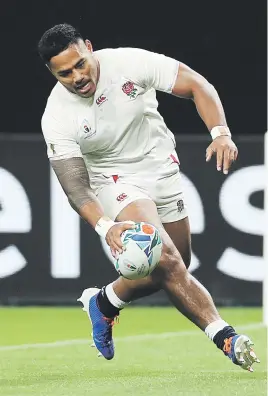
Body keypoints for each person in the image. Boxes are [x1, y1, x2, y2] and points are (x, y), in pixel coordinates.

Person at [38, 23, 259, 370]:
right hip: (114, 179)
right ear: (53, 74)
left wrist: (220, 133)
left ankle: (106, 302)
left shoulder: (129, 62)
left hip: (162, 168)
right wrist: (105, 226)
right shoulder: (57, 116)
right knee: (164, 256)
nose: (77, 76)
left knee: (174, 265)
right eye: (65, 73)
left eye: (80, 63)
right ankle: (225, 336)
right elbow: (75, 185)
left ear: (90, 48)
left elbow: (197, 85)